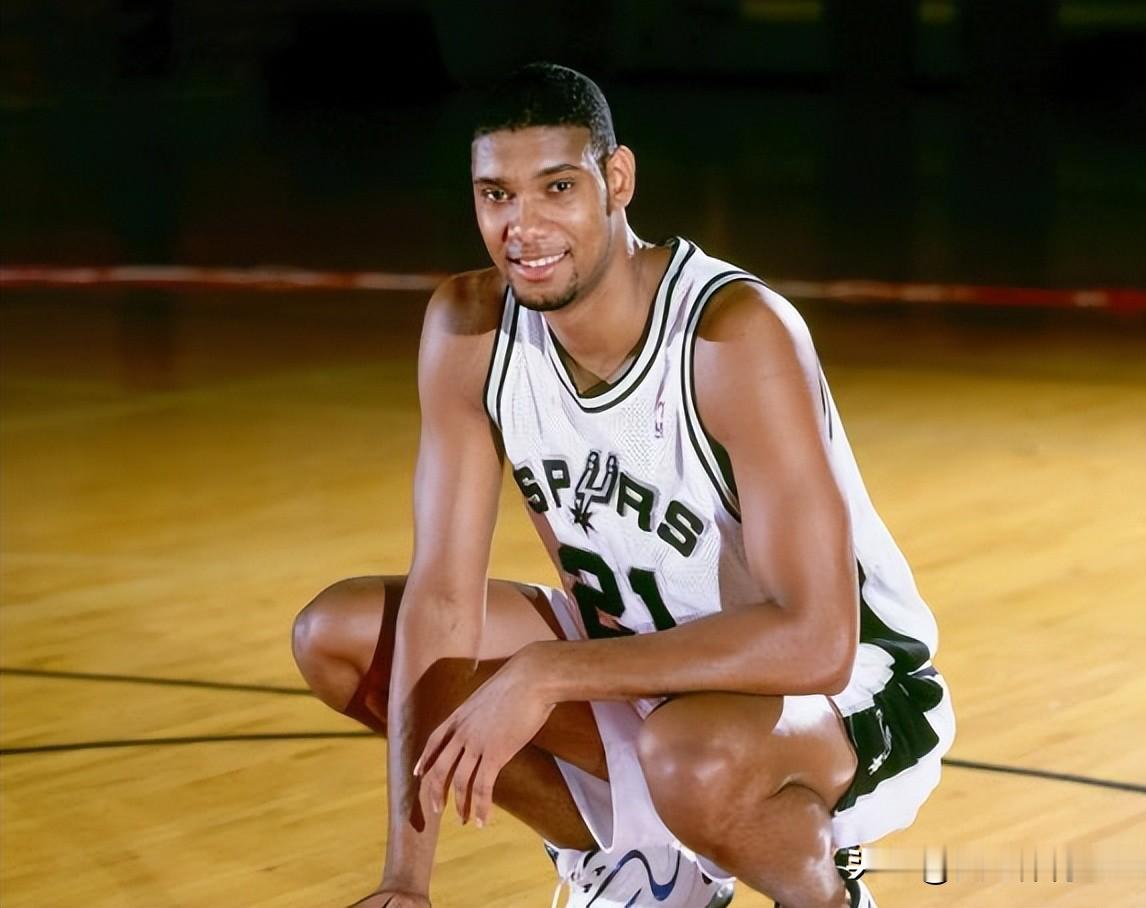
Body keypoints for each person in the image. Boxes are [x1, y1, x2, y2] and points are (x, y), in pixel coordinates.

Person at [291, 62, 955, 908]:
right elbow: (442, 602)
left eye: (556, 188)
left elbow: (818, 641)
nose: (524, 227)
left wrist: (549, 673)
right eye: (496, 196)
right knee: (340, 634)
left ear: (618, 179)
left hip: (840, 694)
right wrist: (404, 881)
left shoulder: (732, 336)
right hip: (634, 666)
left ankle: (824, 890)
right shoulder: (468, 328)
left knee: (688, 755)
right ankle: (639, 861)